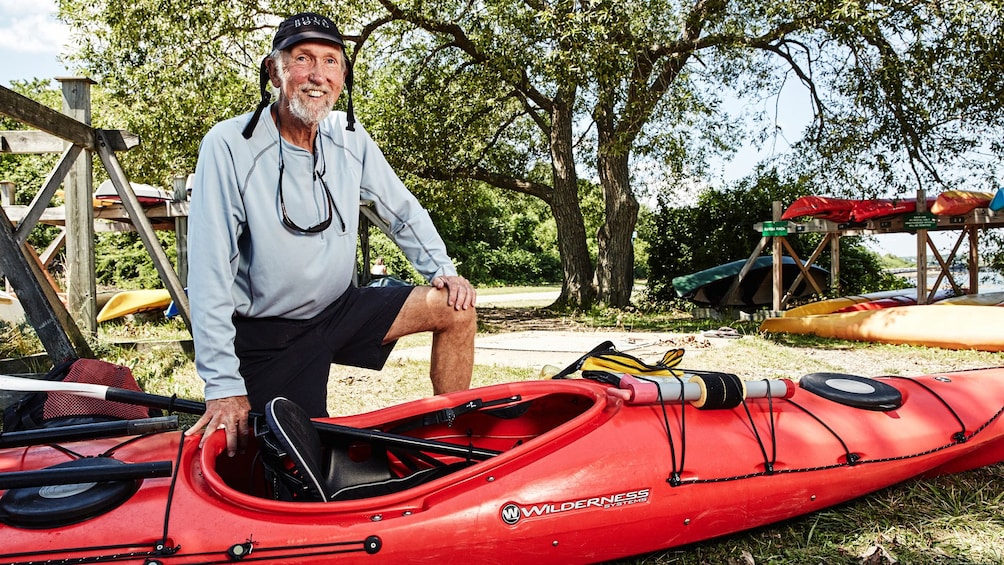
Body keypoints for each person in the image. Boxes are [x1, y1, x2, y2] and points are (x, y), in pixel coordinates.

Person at [184, 12, 476, 457]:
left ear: (344, 75)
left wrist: (442, 270)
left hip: (340, 310)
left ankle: (449, 443)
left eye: (331, 61)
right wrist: (223, 383)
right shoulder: (228, 145)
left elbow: (402, 211)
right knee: (293, 465)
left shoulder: (351, 139)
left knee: (456, 306)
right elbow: (209, 272)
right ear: (275, 70)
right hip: (271, 334)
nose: (318, 75)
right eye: (302, 59)